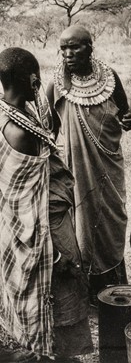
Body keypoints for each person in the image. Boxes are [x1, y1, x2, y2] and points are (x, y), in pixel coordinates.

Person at [0, 47, 92, 362]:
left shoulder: (6, 112)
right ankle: (56, 355)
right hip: (44, 228)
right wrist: (60, 249)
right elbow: (43, 188)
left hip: (18, 225)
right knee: (62, 292)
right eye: (34, 76)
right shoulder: (23, 131)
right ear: (29, 77)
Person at [46, 25, 131, 306]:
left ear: (89, 47)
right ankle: (89, 291)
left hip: (108, 167)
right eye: (63, 48)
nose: (68, 54)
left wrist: (129, 121)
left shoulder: (110, 78)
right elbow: (47, 129)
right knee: (82, 223)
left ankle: (113, 284)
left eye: (74, 47)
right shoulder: (56, 85)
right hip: (76, 171)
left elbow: (125, 114)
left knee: (111, 219)